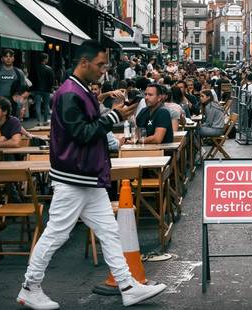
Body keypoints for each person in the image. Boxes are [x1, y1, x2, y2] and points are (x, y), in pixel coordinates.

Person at [18, 40, 166, 309]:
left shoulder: (77, 90)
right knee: (56, 234)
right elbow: (82, 133)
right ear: (84, 63)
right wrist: (114, 117)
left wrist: (114, 115)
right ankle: (30, 286)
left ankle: (127, 285)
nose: (104, 70)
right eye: (100, 65)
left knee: (109, 232)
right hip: (75, 176)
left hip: (82, 175)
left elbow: (85, 129)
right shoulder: (70, 93)